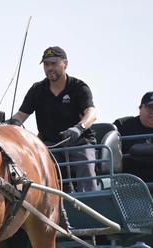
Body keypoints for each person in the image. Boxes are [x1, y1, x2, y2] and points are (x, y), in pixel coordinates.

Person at [8, 46, 98, 192]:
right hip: (49, 146)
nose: (50, 68)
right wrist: (9, 125)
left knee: (86, 164)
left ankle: (93, 204)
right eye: (46, 64)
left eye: (54, 63)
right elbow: (21, 116)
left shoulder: (79, 87)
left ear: (65, 64)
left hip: (79, 143)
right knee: (31, 167)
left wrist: (79, 128)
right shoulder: (37, 90)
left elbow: (91, 113)